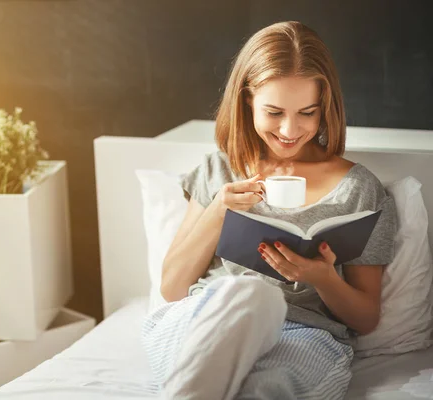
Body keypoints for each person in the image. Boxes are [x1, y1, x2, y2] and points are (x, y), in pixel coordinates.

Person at [141, 21, 397, 400]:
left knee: (268, 389)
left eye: (307, 112)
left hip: (303, 333)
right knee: (244, 301)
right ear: (247, 99)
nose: (290, 130)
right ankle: (243, 316)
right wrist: (219, 210)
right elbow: (173, 288)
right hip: (207, 314)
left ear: (324, 107)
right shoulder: (218, 170)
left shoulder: (359, 189)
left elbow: (365, 318)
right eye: (274, 112)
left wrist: (323, 278)